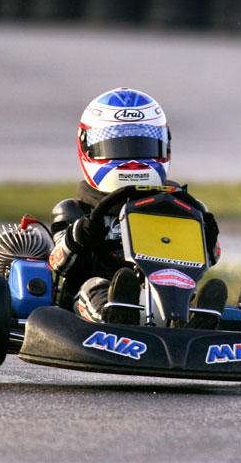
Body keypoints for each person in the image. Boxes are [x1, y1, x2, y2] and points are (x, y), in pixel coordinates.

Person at [48, 87, 226, 327]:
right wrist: (82, 235)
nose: (132, 161)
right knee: (97, 288)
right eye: (118, 148)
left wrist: (208, 234)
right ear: (87, 148)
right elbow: (58, 263)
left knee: (191, 294)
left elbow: (209, 259)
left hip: (168, 291)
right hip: (98, 289)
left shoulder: (181, 206)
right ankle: (119, 315)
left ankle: (198, 321)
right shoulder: (75, 211)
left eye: (143, 146)